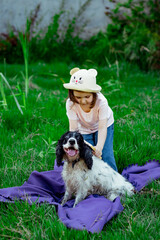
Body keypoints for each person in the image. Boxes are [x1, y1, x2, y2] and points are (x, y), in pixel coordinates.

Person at [63, 67, 118, 172]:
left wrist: (99, 148)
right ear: (72, 94)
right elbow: (73, 128)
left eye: (87, 97)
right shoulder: (70, 103)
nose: (83, 101)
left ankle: (114, 180)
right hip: (83, 128)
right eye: (78, 97)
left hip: (103, 126)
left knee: (106, 155)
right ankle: (91, 181)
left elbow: (102, 127)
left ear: (94, 93)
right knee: (86, 155)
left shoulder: (101, 102)